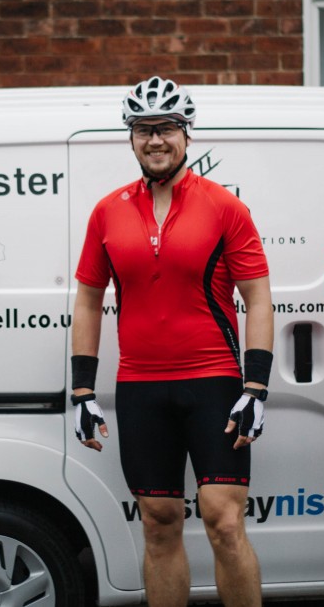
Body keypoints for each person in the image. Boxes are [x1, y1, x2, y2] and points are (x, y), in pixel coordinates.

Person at [71, 76, 274, 607]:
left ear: (186, 134)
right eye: (143, 130)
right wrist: (82, 393)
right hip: (140, 387)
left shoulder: (225, 206)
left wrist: (256, 388)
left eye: (165, 129)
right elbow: (88, 301)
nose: (155, 140)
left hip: (214, 382)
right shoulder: (107, 211)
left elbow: (259, 297)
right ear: (130, 138)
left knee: (224, 521)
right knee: (159, 524)